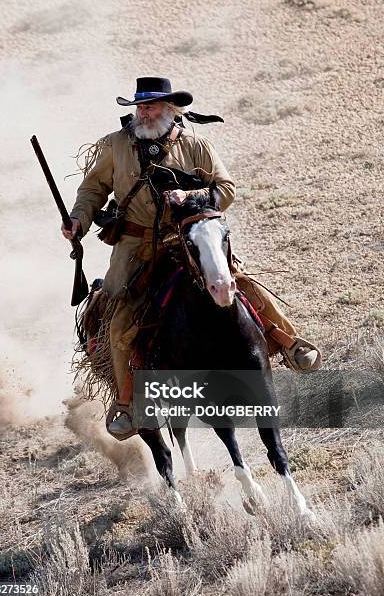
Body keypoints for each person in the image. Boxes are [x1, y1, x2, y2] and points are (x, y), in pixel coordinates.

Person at [62, 76, 320, 437]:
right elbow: (92, 189)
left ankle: (292, 344)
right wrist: (78, 219)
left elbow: (225, 188)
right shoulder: (115, 146)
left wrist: (192, 197)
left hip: (191, 238)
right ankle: (125, 403)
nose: (143, 112)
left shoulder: (196, 145)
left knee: (240, 283)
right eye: (139, 106)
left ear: (170, 110)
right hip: (135, 248)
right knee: (119, 321)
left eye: (150, 105)